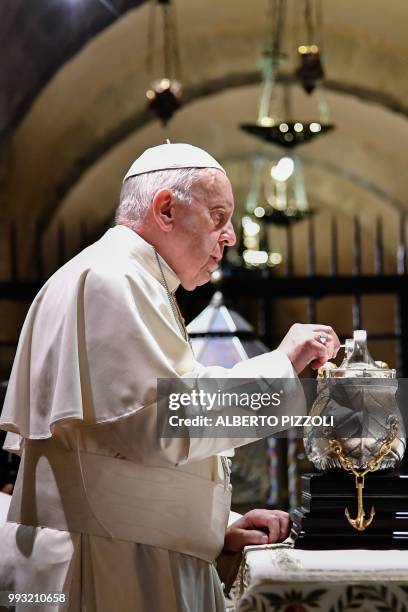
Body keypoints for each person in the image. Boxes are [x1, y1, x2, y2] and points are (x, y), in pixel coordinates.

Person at [0, 143, 339, 612]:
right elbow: (166, 421)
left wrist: (215, 525)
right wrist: (282, 363)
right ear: (164, 209)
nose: (230, 237)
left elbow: (115, 451)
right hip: (107, 565)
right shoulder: (113, 279)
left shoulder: (123, 276)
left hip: (128, 547)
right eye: (218, 216)